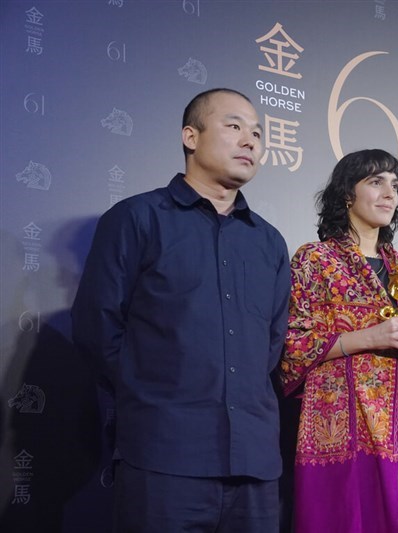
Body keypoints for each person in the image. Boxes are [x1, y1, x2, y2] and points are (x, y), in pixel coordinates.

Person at [71, 88, 290, 532]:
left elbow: (271, 344)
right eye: (234, 127)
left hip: (255, 465)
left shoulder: (269, 242)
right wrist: (152, 393)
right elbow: (97, 327)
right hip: (163, 456)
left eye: (258, 133)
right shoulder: (137, 218)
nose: (250, 140)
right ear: (191, 136)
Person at [280, 149, 398, 533]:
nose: (389, 193)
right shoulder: (314, 260)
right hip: (350, 420)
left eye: (395, 185)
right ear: (347, 193)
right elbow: (294, 347)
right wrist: (369, 337)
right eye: (375, 182)